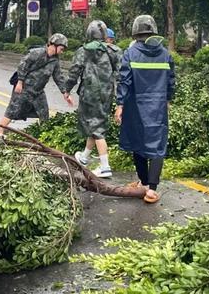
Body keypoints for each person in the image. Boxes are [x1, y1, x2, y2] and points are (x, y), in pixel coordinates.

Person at [114, 15, 175, 203]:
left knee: (137, 142)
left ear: (135, 33)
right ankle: (151, 188)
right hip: (157, 106)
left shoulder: (130, 53)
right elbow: (171, 81)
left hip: (135, 106)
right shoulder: (165, 54)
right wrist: (168, 100)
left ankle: (145, 183)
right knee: (158, 145)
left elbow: (124, 81)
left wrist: (119, 105)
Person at [67, 20, 121, 178]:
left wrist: (66, 90)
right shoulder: (114, 51)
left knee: (96, 128)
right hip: (106, 94)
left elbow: (74, 72)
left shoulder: (83, 51)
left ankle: (105, 166)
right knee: (96, 123)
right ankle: (84, 157)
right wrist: (120, 100)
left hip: (88, 94)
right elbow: (121, 76)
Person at [0, 33, 73, 135]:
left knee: (44, 114)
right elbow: (22, 66)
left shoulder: (55, 61)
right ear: (53, 45)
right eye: (61, 49)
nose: (61, 52)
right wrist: (20, 82)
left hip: (38, 91)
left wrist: (65, 93)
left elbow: (58, 77)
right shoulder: (36, 53)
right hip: (24, 88)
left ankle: (43, 136)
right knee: (12, 110)